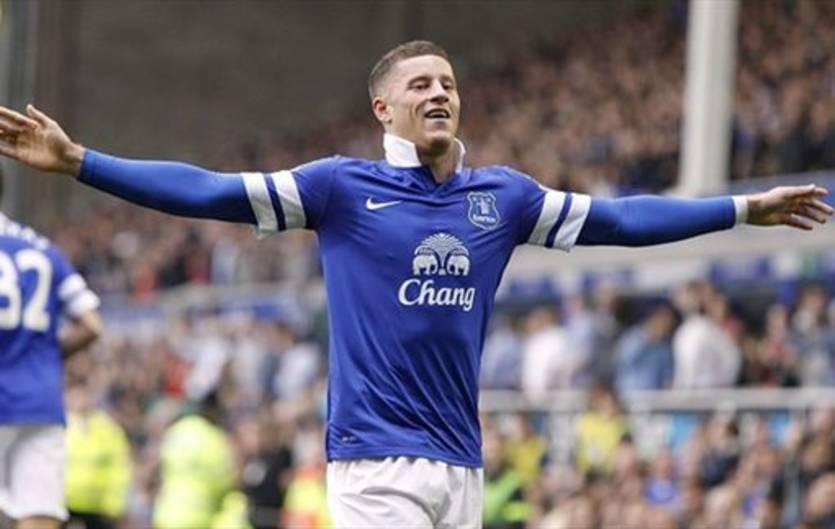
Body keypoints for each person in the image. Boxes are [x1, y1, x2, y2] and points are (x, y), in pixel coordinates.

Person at [0, 40, 831, 528]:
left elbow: (622, 219)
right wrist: (82, 162)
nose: (439, 94)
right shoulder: (338, 187)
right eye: (420, 85)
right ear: (383, 110)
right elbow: (209, 190)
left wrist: (738, 208)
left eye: (448, 84)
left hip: (460, 461)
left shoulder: (503, 198)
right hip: (373, 459)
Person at [0, 176, 101, 529]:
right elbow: (92, 325)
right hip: (39, 403)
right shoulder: (45, 251)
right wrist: (41, 356)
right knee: (39, 515)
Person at [64, 381, 132, 529]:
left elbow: (119, 468)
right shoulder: (58, 427)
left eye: (84, 395)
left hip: (97, 506)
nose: (80, 401)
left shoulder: (108, 429)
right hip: (63, 501)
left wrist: (114, 503)